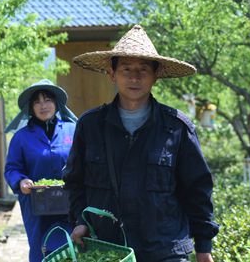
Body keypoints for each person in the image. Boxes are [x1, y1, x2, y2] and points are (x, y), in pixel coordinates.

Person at [63, 25, 219, 262]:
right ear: (111, 73)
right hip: (107, 249)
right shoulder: (90, 125)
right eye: (126, 69)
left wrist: (204, 247)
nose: (134, 77)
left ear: (155, 75)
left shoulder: (177, 128)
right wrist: (80, 222)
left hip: (165, 250)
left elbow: (198, 190)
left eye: (143, 69)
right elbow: (75, 183)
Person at [4, 79, 77, 262]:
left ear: (56, 103)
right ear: (31, 107)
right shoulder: (21, 138)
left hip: (72, 203)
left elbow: (87, 162)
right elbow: (12, 168)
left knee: (74, 248)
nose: (43, 105)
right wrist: (21, 181)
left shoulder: (73, 130)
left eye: (47, 100)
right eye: (37, 101)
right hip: (37, 205)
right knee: (41, 250)